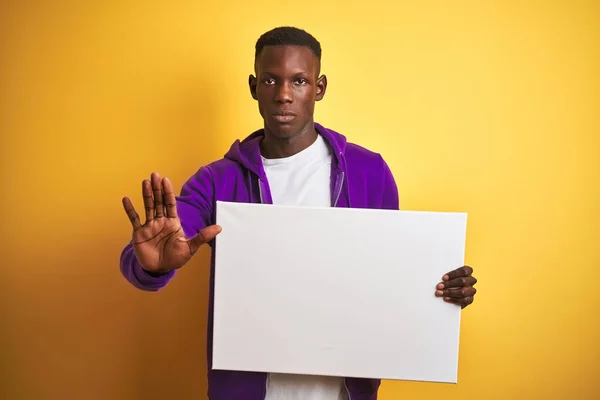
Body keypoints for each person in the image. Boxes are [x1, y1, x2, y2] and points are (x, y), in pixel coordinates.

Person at [120, 26, 478, 400]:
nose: (284, 95)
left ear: (319, 87)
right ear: (253, 86)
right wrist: (153, 266)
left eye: (299, 81)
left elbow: (390, 279)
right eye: (270, 80)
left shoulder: (369, 172)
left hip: (343, 391)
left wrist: (442, 294)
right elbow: (155, 252)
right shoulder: (216, 180)